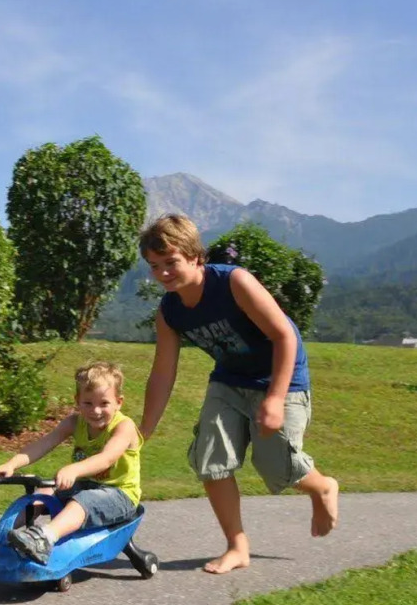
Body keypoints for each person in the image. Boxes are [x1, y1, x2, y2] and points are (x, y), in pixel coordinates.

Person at [137, 214, 339, 574]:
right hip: (229, 381)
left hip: (281, 377)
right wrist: (144, 431)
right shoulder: (169, 312)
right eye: (155, 266)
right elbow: (163, 372)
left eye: (171, 263)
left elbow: (284, 337)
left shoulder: (234, 282)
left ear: (196, 256)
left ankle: (321, 486)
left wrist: (275, 399)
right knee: (210, 458)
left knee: (276, 465)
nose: (163, 273)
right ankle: (237, 546)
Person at [0, 361, 143, 564]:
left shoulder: (124, 427)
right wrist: (12, 464)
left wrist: (75, 469)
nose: (95, 411)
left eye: (104, 403)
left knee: (82, 502)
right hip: (86, 486)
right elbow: (43, 444)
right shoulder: (74, 422)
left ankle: (44, 538)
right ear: (77, 400)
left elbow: (107, 458)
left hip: (120, 494)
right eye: (88, 403)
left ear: (119, 402)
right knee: (44, 492)